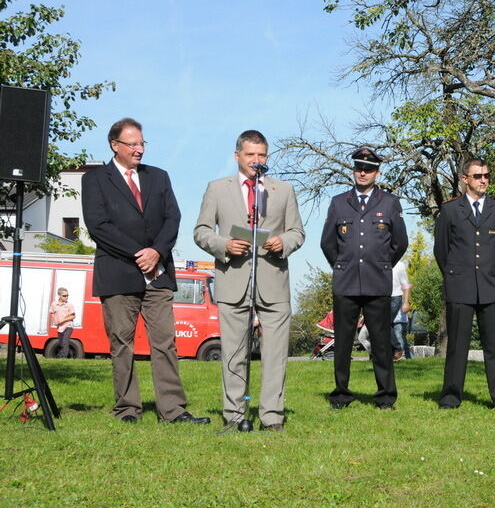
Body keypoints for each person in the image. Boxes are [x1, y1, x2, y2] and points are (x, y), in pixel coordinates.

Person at [82, 117, 209, 424]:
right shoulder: (95, 179)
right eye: (133, 144)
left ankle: (173, 410)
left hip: (158, 273)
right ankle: (128, 408)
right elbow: (99, 226)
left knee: (165, 341)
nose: (139, 149)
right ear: (115, 145)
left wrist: (157, 252)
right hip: (118, 272)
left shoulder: (159, 177)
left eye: (142, 143)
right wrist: (139, 254)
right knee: (121, 343)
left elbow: (173, 218)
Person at [194, 130, 305, 431]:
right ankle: (234, 416)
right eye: (250, 155)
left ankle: (272, 418)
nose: (256, 160)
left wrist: (284, 242)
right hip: (233, 280)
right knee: (233, 353)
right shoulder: (217, 189)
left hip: (274, 282)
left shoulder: (283, 190)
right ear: (237, 156)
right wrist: (224, 245)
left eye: (262, 155)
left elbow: (298, 232)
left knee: (275, 356)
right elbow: (201, 231)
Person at [321, 147, 408, 410]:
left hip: (376, 282)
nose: (363, 172)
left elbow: (400, 242)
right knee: (344, 341)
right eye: (359, 167)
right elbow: (328, 243)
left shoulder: (389, 203)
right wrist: (342, 266)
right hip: (346, 283)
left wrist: (382, 265)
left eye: (368, 169)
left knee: (381, 342)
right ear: (353, 171)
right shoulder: (339, 202)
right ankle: (341, 394)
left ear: (377, 173)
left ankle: (385, 396)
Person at [434, 158, 495, 411]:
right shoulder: (449, 211)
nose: (483, 180)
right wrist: (455, 275)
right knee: (457, 346)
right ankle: (450, 397)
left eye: (487, 175)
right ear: (464, 179)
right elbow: (441, 250)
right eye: (478, 176)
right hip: (460, 286)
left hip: (490, 286)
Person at [391, 260, 412, 360]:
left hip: (395, 297)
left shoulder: (399, 265)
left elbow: (405, 284)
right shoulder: (377, 261)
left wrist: (406, 302)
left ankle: (399, 349)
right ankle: (391, 353)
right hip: (381, 297)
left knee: (384, 324)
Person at [48, 287, 75, 358]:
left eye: (67, 295)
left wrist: (63, 320)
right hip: (60, 327)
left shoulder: (69, 305)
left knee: (65, 342)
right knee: (61, 343)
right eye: (64, 296)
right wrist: (55, 319)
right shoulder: (54, 304)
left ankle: (63, 358)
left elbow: (73, 316)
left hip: (68, 325)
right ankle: (70, 355)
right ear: (59, 295)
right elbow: (52, 312)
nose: (66, 297)